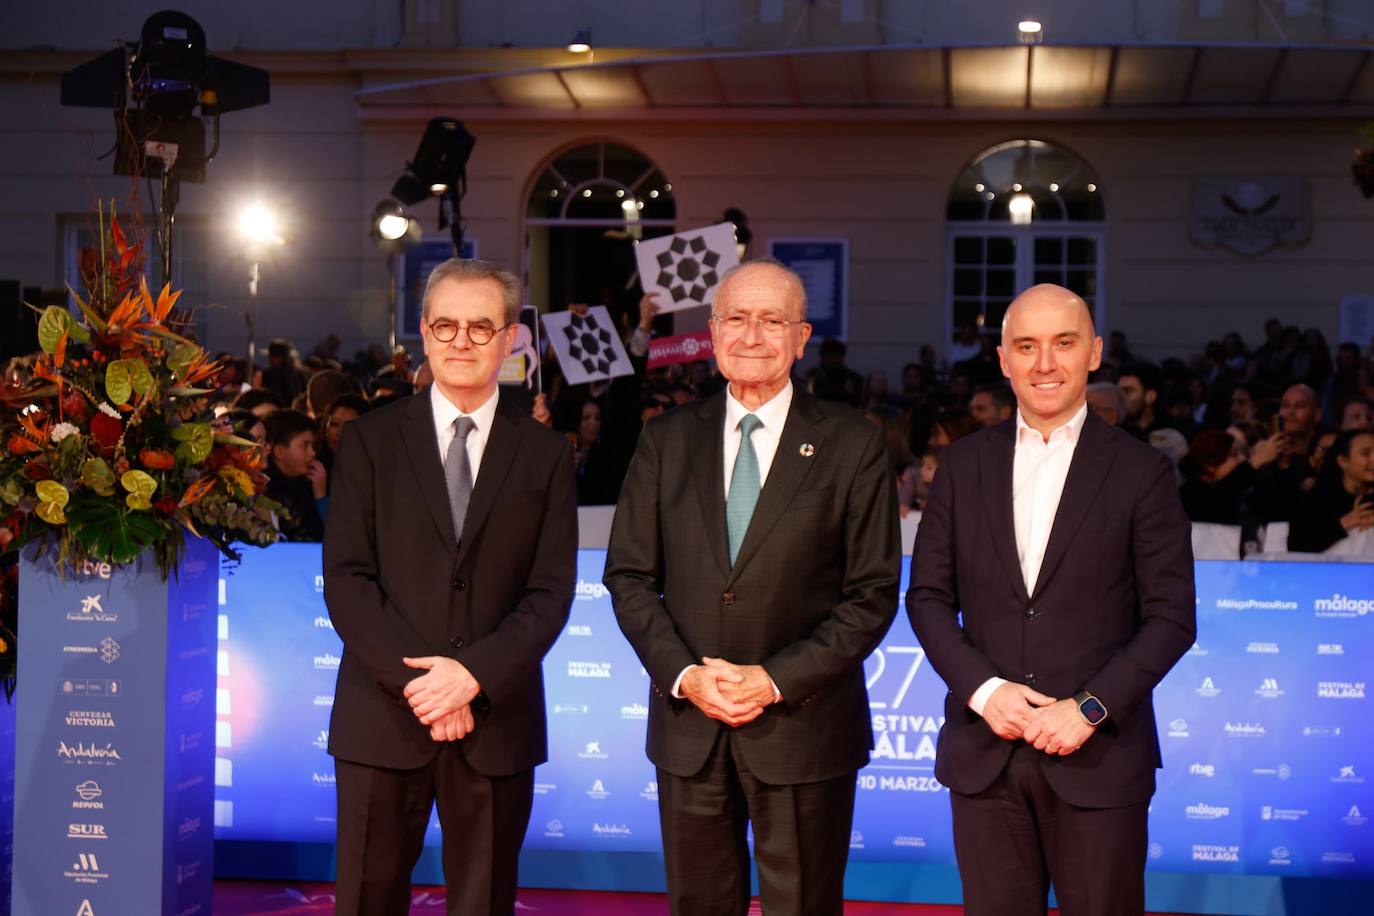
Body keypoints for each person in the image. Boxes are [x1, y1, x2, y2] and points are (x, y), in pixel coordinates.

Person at [604, 259, 900, 916]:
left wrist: (773, 679)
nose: (751, 335)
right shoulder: (665, 440)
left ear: (801, 337)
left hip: (803, 725)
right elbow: (627, 576)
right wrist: (684, 674)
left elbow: (873, 593)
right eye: (736, 318)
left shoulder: (853, 444)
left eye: (772, 321)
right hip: (690, 725)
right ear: (712, 332)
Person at [907, 283, 1196, 916]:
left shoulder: (1141, 471)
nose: (1044, 364)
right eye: (1026, 346)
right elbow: (927, 597)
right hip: (985, 755)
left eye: (1063, 344)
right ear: (1004, 360)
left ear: (1093, 353)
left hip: (1099, 757)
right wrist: (986, 692)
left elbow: (1172, 618)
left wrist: (1088, 708)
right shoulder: (961, 466)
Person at [323, 257, 577, 916]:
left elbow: (550, 591)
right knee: (365, 901)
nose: (461, 341)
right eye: (446, 326)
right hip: (382, 716)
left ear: (510, 338)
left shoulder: (546, 453)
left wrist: (472, 677)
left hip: (497, 719)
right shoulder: (369, 440)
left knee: (484, 903)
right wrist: (423, 684)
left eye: (480, 327)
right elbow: (348, 578)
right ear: (424, 333)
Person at [1287, 428, 1374, 553]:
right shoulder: (1318, 498)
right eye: (1366, 454)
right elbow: (1297, 546)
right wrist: (1344, 523)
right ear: (1343, 461)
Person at [264, 409, 327, 542]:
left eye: (313, 445)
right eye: (304, 445)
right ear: (279, 451)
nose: (312, 453)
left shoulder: (306, 484)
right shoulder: (271, 494)